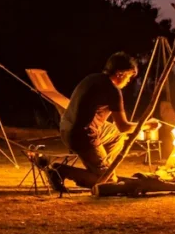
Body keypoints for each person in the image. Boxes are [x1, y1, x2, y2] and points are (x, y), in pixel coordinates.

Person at [46, 52, 140, 191]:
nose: (128, 81)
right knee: (108, 181)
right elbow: (124, 126)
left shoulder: (91, 78)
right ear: (120, 74)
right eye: (129, 76)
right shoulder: (112, 91)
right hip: (82, 136)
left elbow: (119, 130)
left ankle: (103, 167)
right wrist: (146, 125)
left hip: (66, 128)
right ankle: (59, 171)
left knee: (116, 134)